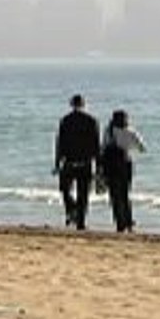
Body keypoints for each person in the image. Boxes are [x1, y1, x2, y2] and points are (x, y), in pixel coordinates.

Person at [54, 94, 100, 230]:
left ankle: (72, 209)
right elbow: (96, 145)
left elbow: (59, 143)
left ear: (71, 104)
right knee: (83, 194)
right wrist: (98, 165)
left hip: (69, 161)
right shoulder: (92, 121)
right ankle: (81, 222)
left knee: (64, 190)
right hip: (85, 162)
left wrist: (57, 162)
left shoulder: (65, 120)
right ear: (84, 104)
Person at [101, 109, 146, 233]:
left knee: (115, 196)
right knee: (125, 194)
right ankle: (129, 221)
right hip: (125, 164)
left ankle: (119, 223)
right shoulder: (130, 131)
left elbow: (103, 147)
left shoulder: (109, 131)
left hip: (111, 166)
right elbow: (142, 148)